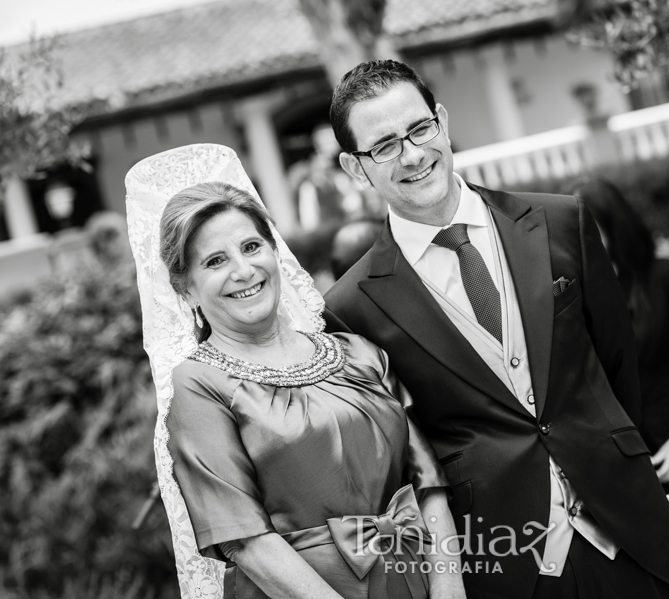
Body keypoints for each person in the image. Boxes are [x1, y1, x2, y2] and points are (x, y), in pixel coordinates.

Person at [323, 60, 669, 599]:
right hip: (505, 560)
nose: (412, 154)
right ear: (355, 168)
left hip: (629, 529)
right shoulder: (349, 306)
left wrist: (607, 452)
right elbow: (401, 453)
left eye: (419, 129)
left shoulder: (561, 223)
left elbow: (620, 364)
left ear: (442, 120)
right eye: (384, 146)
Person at [124, 144, 466, 599]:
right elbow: (246, 541)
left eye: (251, 247)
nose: (244, 271)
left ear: (274, 251)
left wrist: (448, 590)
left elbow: (428, 484)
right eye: (215, 261)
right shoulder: (198, 387)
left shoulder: (360, 353)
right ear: (185, 289)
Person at [573, 177, 669, 494]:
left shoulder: (664, 277)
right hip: (626, 470)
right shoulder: (574, 300)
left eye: (590, 228)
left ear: (614, 225)